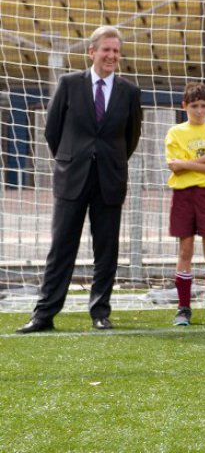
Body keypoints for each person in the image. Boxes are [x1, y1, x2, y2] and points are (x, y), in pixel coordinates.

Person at [17, 25, 143, 334]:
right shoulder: (69, 84)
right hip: (72, 177)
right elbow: (52, 131)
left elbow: (131, 138)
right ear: (92, 52)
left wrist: (108, 161)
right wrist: (73, 159)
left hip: (109, 180)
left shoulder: (129, 92)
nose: (111, 55)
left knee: (106, 249)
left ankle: (100, 312)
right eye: (106, 49)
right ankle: (44, 315)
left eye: (116, 50)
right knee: (61, 248)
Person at [165, 82, 205, 326]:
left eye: (203, 106)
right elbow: (174, 166)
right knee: (185, 250)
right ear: (185, 106)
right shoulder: (175, 132)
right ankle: (183, 308)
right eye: (194, 106)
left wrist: (186, 164)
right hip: (183, 195)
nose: (199, 110)